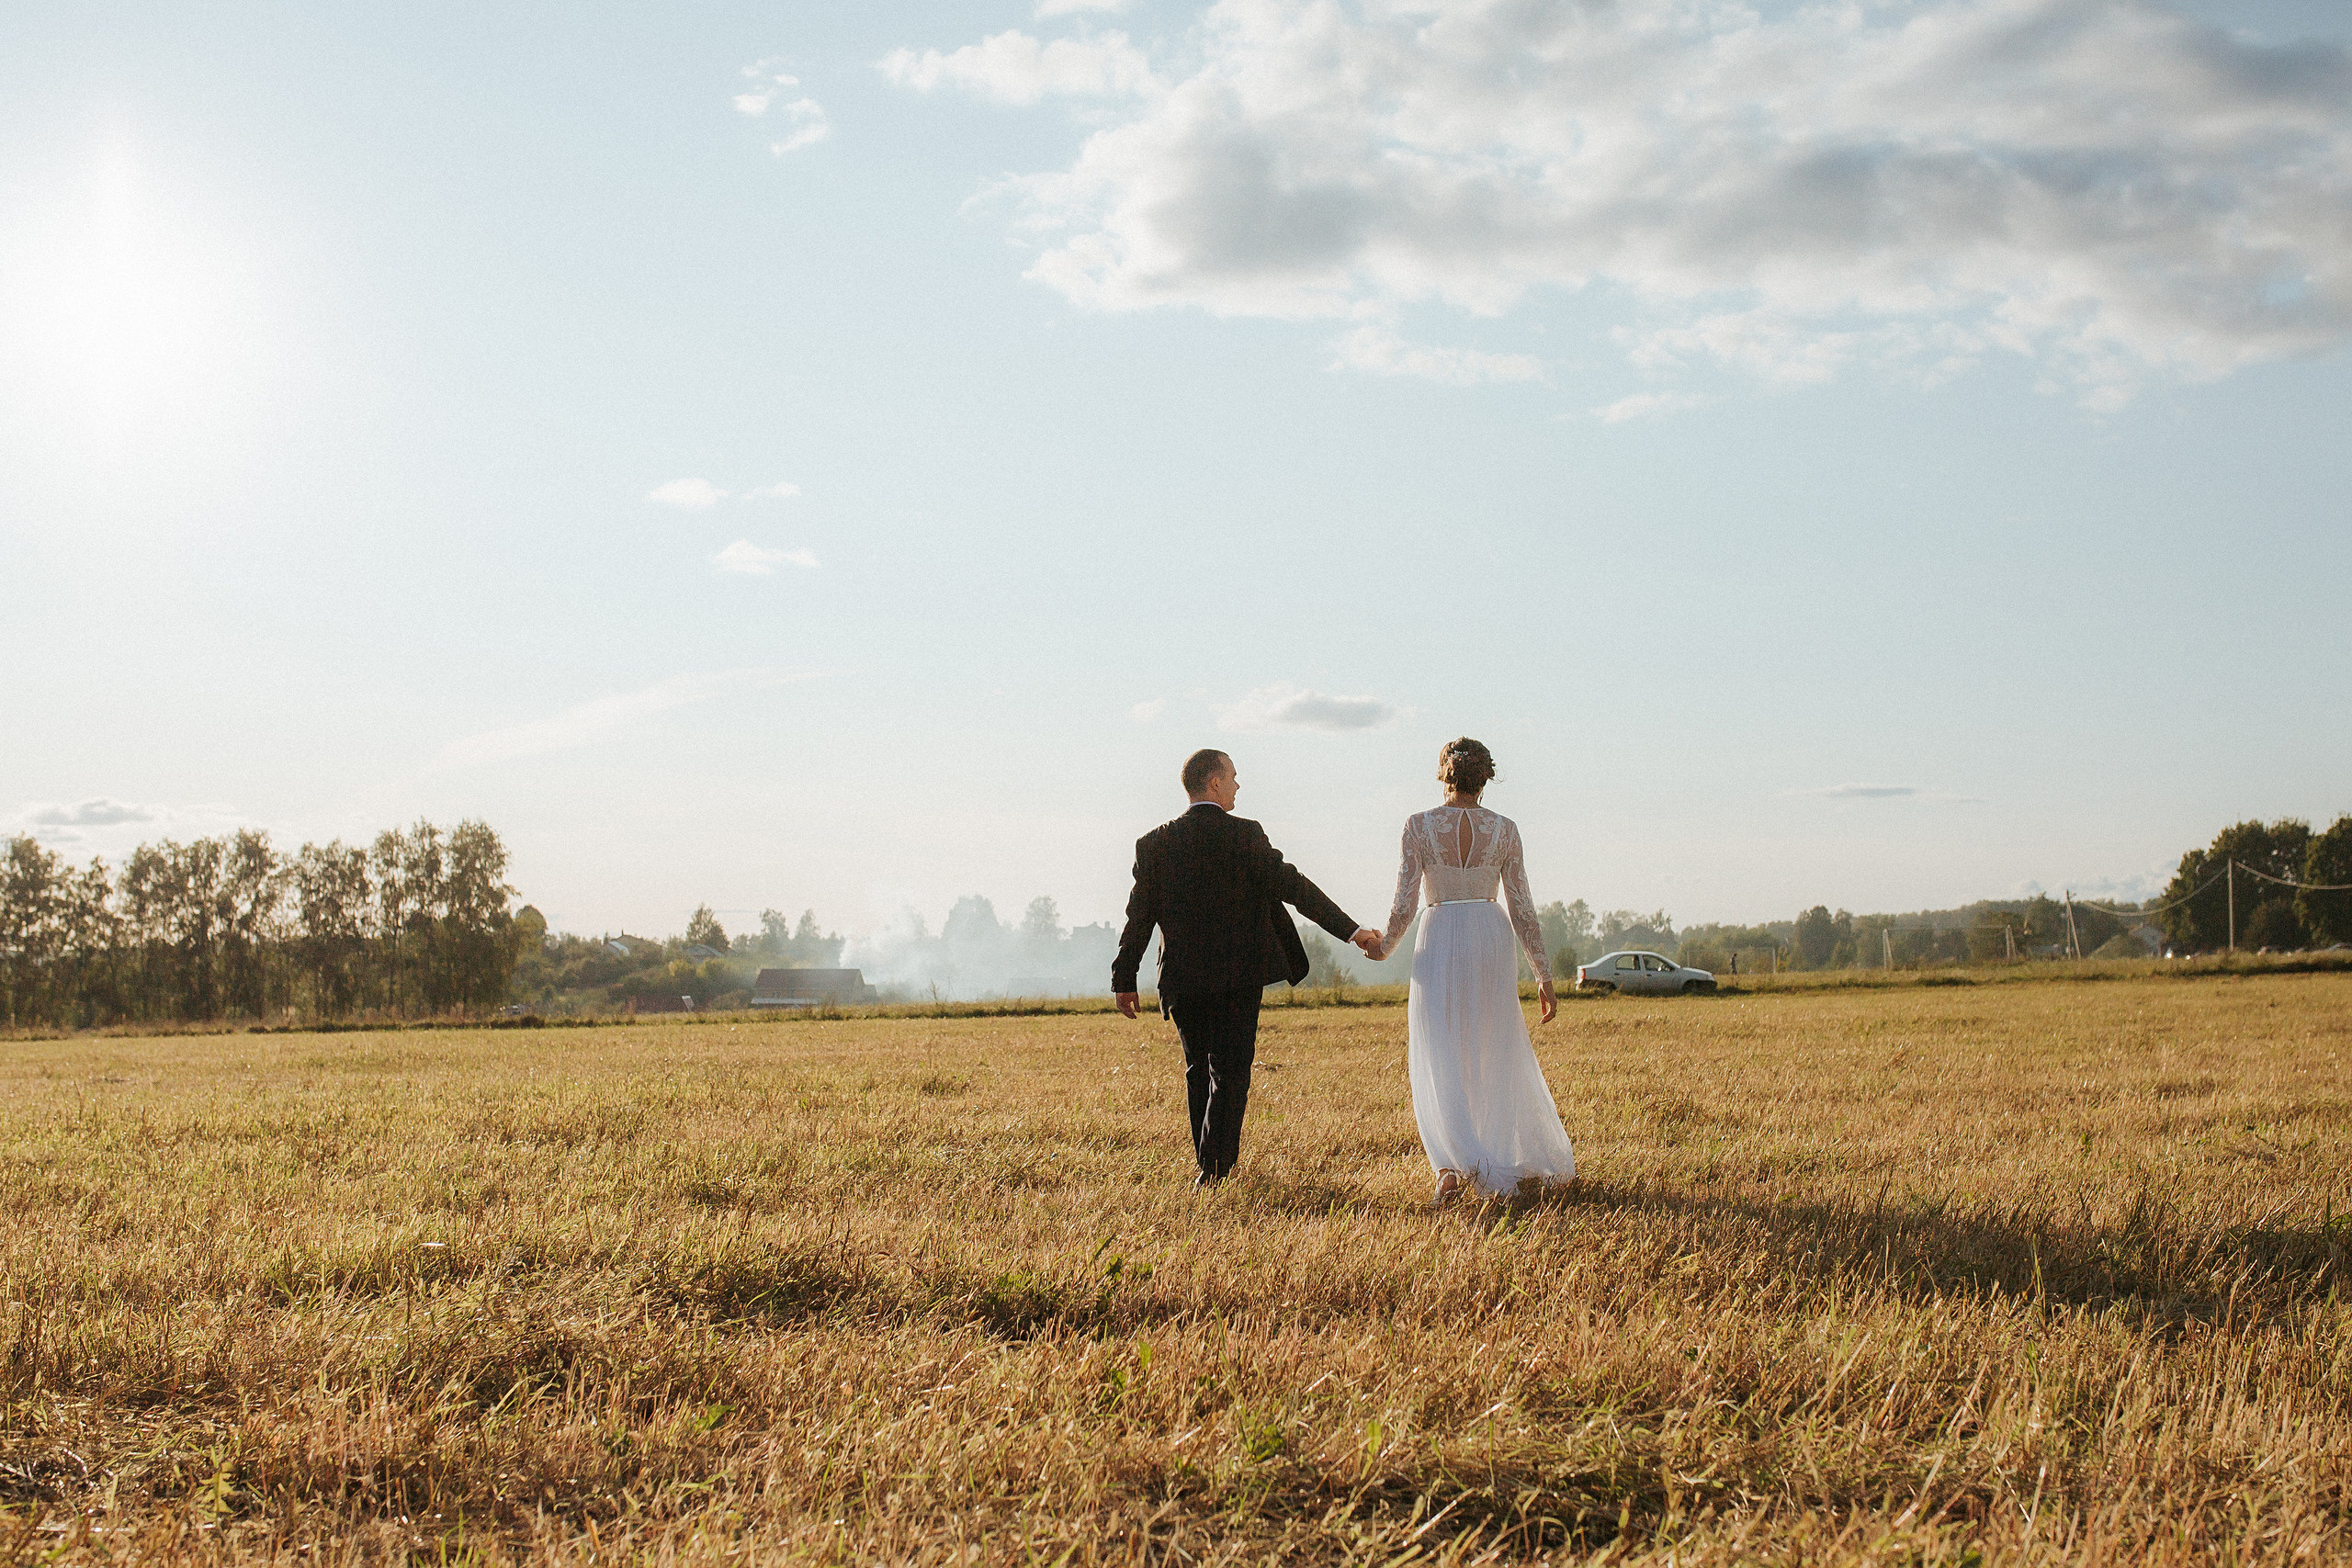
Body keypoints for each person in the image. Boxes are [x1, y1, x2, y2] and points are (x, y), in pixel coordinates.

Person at [1114, 749, 1382, 1189]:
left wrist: (1124, 980)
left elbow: (1138, 918)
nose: (1239, 785)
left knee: (1198, 1068)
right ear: (1214, 783)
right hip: (1238, 977)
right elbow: (1296, 888)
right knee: (1231, 1071)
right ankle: (1214, 1167)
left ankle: (1209, 1165)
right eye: (1234, 777)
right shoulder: (1246, 835)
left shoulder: (1155, 844)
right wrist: (1353, 932)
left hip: (1182, 977)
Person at [1368, 738, 1577, 1203]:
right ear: (1487, 777)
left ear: (1444, 774)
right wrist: (1542, 972)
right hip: (1488, 933)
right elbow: (1521, 906)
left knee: (1439, 1046)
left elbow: (1403, 904)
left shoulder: (1418, 826)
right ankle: (1485, 1153)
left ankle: (1450, 1163)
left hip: (1439, 931)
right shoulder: (1505, 829)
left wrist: (1384, 947)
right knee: (1491, 1044)